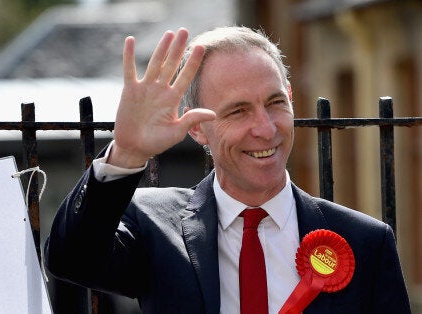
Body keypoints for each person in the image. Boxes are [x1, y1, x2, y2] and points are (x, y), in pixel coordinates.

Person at [44, 26, 410, 313]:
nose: (265, 128)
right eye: (238, 111)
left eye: (274, 103)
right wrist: (126, 152)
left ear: (291, 99)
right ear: (197, 128)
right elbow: (71, 260)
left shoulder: (365, 243)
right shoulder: (154, 225)